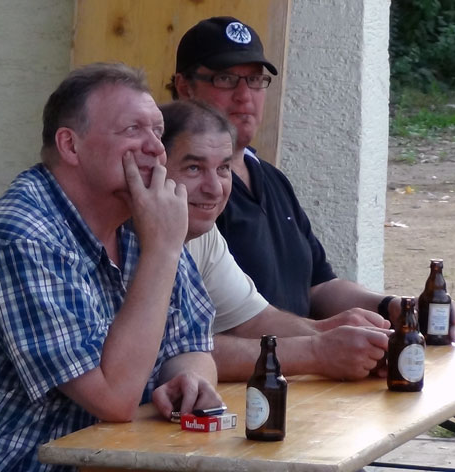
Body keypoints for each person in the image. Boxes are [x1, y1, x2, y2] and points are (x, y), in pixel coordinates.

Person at [0, 63, 221, 471]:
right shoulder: (21, 236)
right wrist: (162, 252)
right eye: (133, 130)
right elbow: (113, 399)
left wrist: (189, 379)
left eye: (158, 131)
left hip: (105, 460)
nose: (156, 148)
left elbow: (191, 343)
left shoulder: (143, 218)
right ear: (70, 146)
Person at [168, 16, 415, 326]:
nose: (244, 95)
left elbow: (319, 286)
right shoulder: (187, 192)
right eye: (225, 79)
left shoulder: (272, 179)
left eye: (255, 79)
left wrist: (394, 307)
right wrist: (321, 339)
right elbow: (198, 336)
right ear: (184, 87)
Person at [160, 99, 395, 382]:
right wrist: (319, 351)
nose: (214, 189)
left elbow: (254, 319)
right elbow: (174, 351)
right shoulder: (134, 235)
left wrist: (341, 337)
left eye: (223, 169)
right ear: (152, 168)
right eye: (194, 168)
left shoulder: (203, 233)